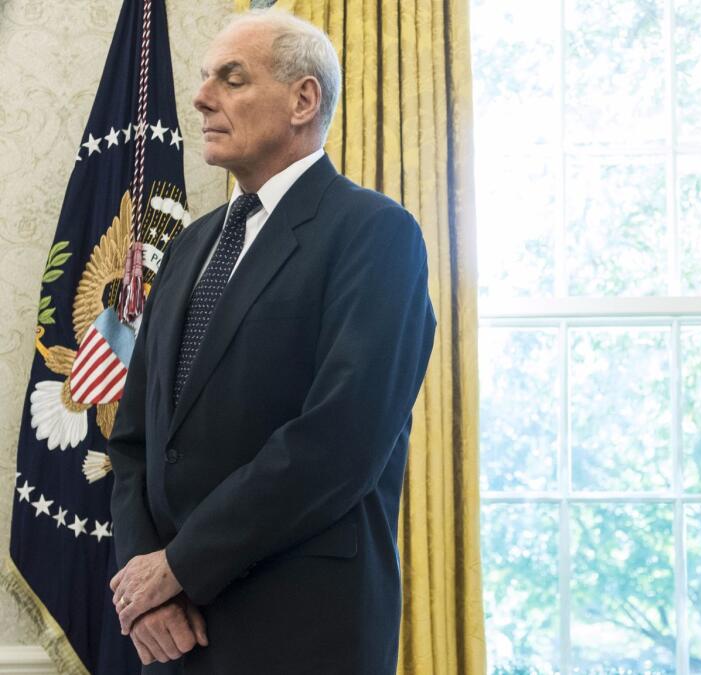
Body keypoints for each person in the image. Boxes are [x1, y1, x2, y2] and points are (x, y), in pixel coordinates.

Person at [106, 9, 436, 673]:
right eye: (205, 79)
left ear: (302, 99)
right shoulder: (191, 245)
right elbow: (136, 438)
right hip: (171, 636)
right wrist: (147, 593)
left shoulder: (375, 234)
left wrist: (179, 565)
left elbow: (339, 441)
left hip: (302, 633)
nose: (201, 97)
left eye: (231, 79)